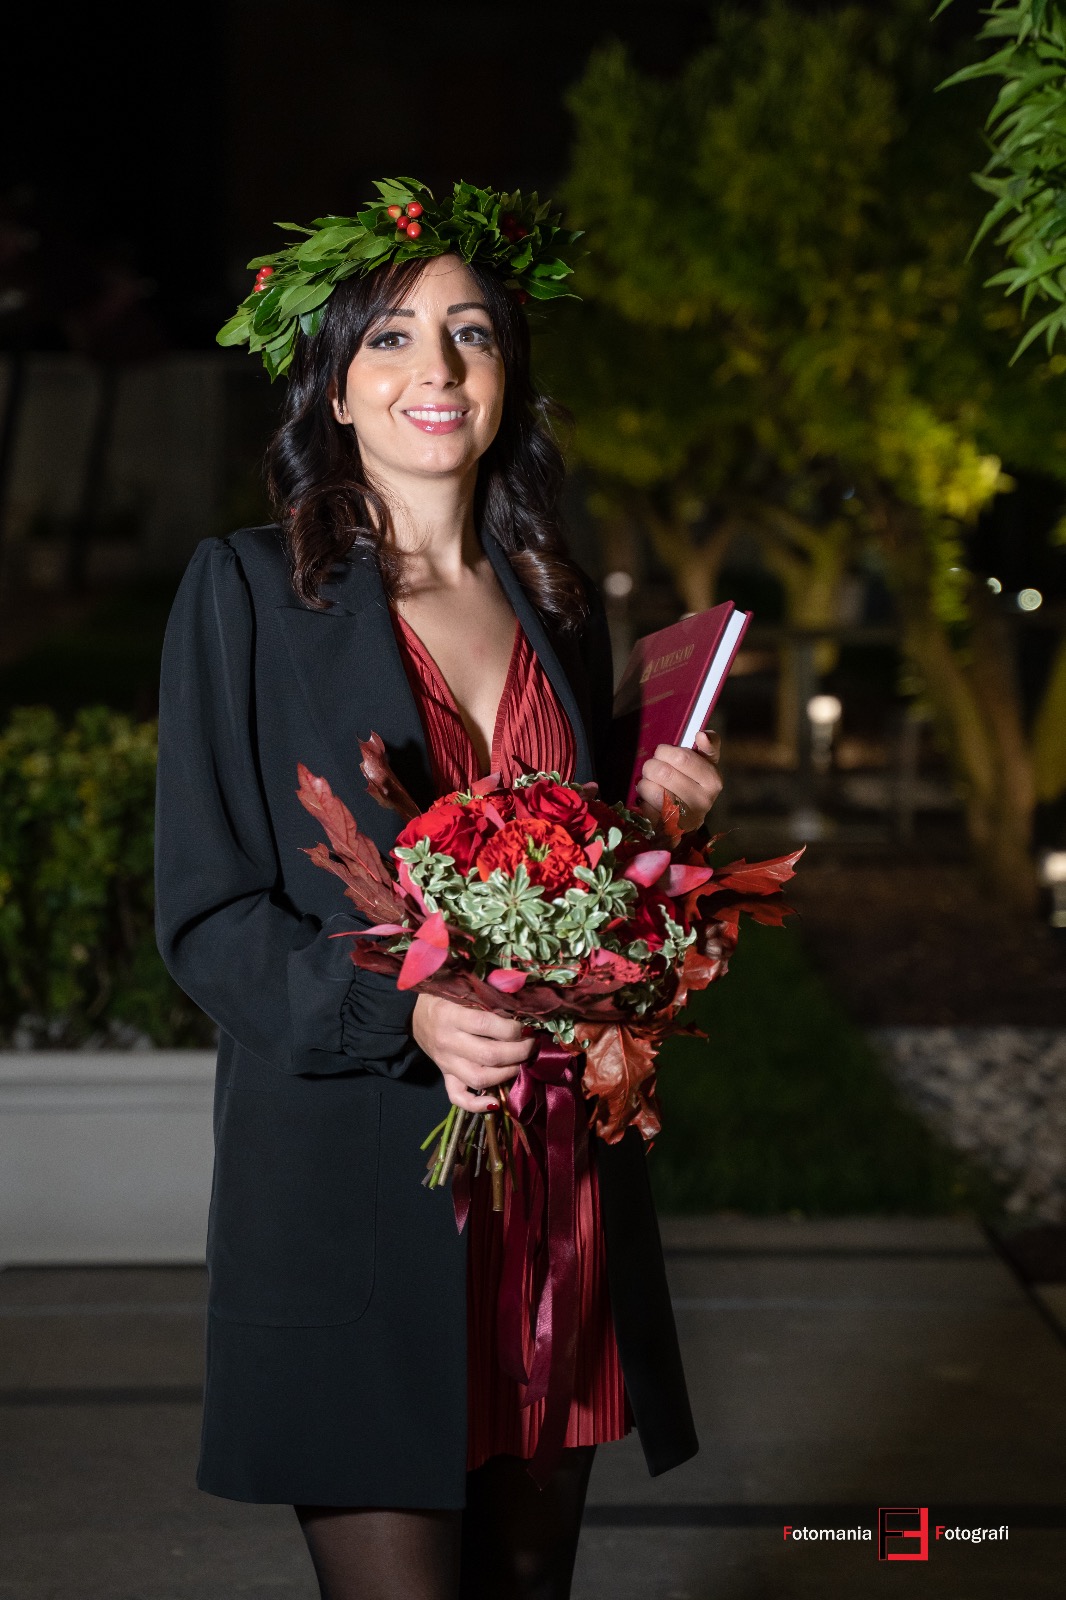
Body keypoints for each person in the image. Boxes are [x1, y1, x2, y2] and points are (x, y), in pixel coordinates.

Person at [155, 180, 723, 1600]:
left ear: (507, 371)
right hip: (358, 1193)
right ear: (335, 393)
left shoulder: (556, 596)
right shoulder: (242, 595)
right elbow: (208, 918)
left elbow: (586, 912)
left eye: (469, 333)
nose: (438, 369)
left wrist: (656, 842)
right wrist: (399, 1014)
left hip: (556, 1197)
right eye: (392, 339)